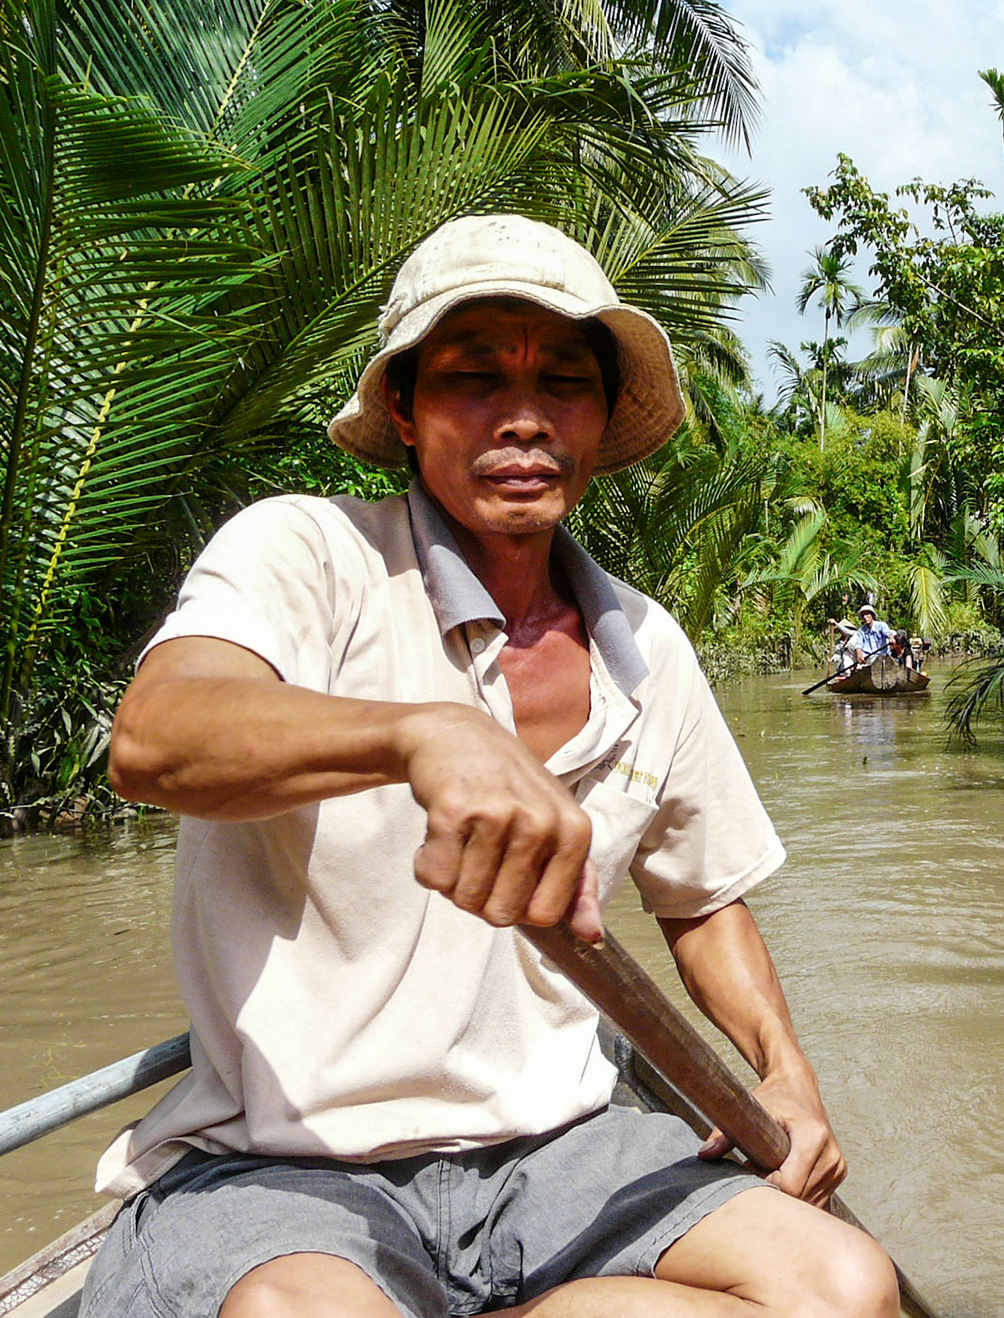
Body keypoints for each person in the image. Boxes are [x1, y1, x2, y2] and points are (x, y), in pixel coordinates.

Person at [87, 215, 898, 1318]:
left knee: (844, 1285)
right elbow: (157, 738)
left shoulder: (648, 647)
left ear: (602, 421)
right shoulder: (307, 554)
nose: (524, 416)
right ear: (407, 414)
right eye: (474, 379)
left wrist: (782, 1068)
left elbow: (704, 900)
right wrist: (419, 733)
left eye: (564, 382)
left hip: (556, 1148)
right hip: (289, 1161)